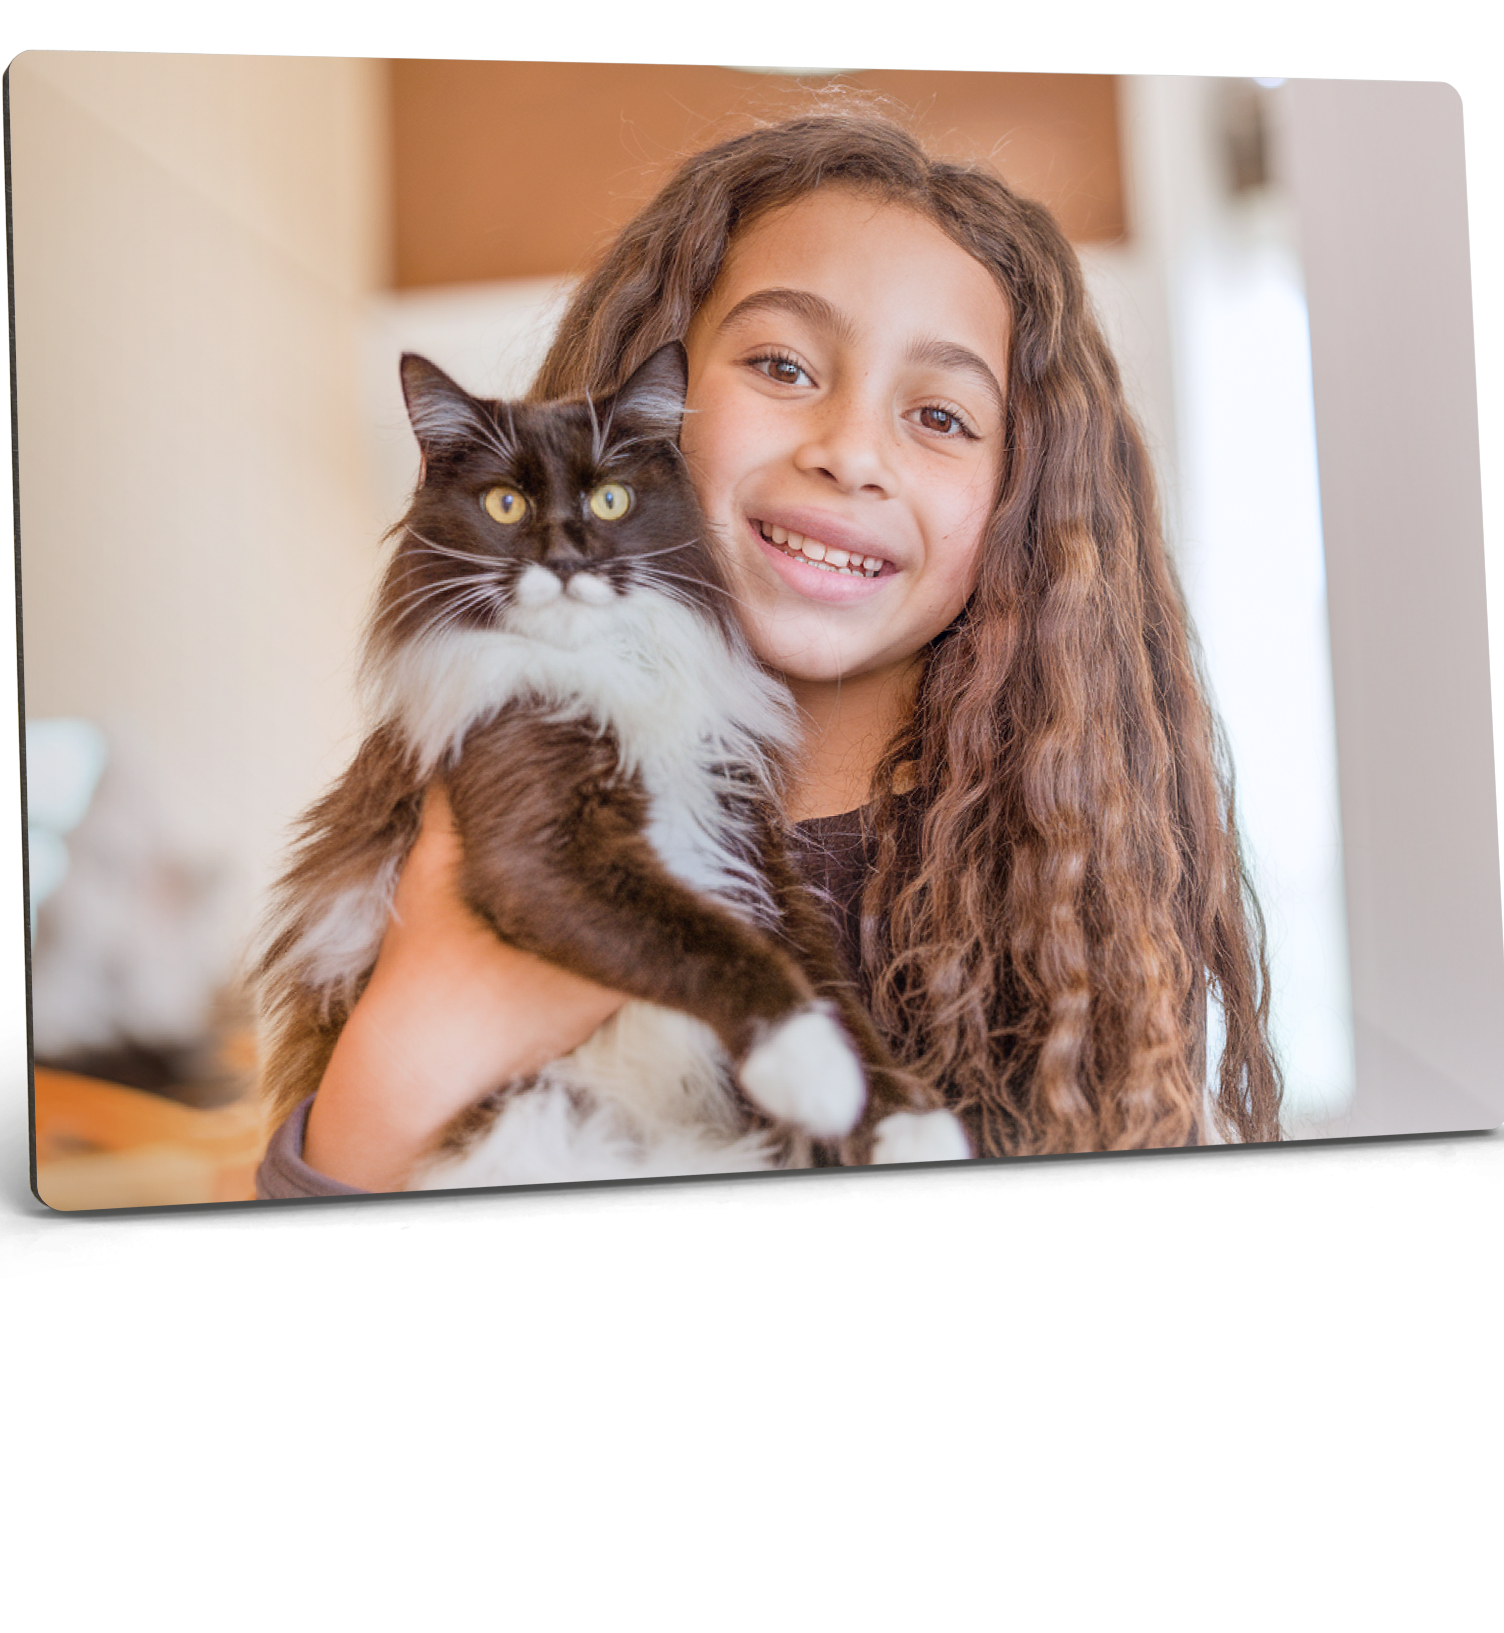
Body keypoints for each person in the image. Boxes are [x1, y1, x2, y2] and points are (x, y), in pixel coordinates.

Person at [257, 112, 1282, 1194]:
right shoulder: (461, 780)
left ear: (1023, 502)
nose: (846, 452)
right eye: (782, 364)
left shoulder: (1061, 881)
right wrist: (394, 1068)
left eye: (938, 414)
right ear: (645, 415)